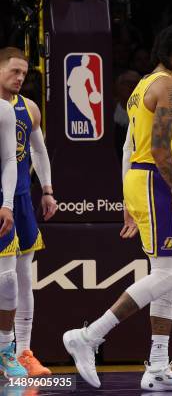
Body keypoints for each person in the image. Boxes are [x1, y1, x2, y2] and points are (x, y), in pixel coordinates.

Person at [62, 25, 172, 391]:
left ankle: (157, 367)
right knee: (169, 276)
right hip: (157, 182)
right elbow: (159, 150)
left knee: (167, 272)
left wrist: (127, 199)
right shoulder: (170, 88)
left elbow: (127, 145)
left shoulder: (143, 84)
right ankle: (90, 335)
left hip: (139, 181)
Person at [0, 47, 58, 376]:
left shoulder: (29, 108)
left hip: (19, 199)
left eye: (24, 73)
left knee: (21, 279)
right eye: (14, 71)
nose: (20, 77)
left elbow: (39, 150)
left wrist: (47, 190)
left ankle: (23, 351)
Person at [0, 96, 22, 378]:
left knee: (7, 279)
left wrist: (7, 204)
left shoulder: (3, 109)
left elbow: (8, 158)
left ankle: (6, 349)